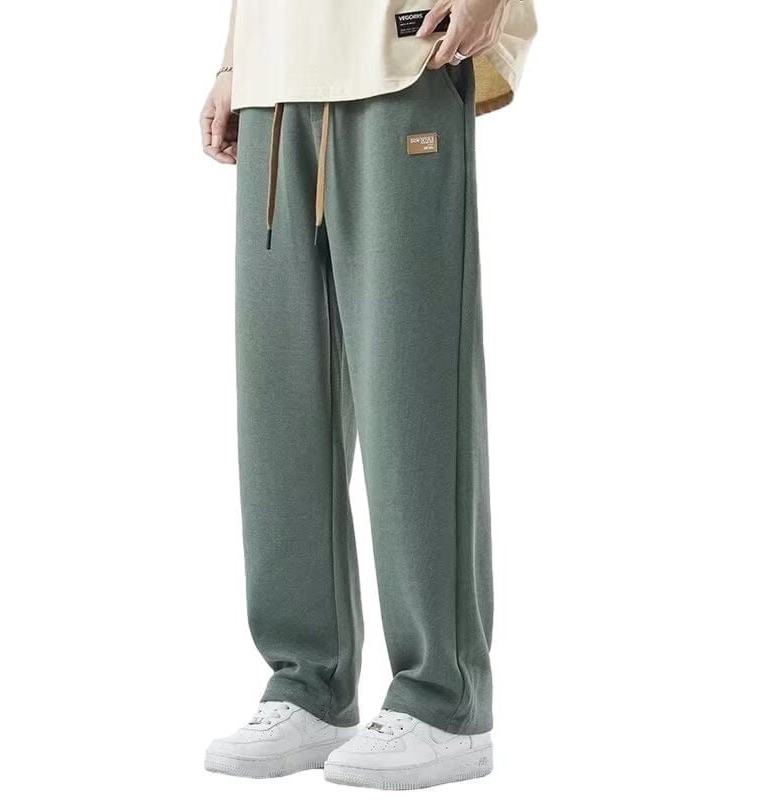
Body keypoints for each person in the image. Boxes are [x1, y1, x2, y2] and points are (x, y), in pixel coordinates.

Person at [199, 0, 536, 790]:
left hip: (404, 50)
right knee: (281, 401)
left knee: (412, 389)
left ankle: (444, 698)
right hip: (275, 79)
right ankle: (307, 684)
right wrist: (233, 60)